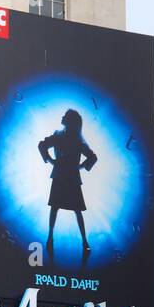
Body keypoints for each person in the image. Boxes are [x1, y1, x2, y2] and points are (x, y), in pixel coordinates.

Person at [38, 108, 98, 262]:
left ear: (69, 121)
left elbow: (92, 157)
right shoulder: (64, 136)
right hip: (64, 175)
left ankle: (82, 241)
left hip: (67, 176)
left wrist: (78, 166)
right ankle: (52, 237)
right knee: (59, 207)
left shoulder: (73, 139)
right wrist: (50, 160)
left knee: (67, 209)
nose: (62, 117)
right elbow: (42, 145)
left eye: (65, 116)